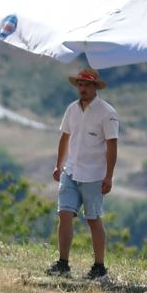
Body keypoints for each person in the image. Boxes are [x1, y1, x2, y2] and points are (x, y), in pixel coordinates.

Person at [50, 67, 118, 279]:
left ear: (95, 87)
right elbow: (65, 137)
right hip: (71, 170)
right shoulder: (72, 109)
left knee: (93, 220)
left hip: (93, 175)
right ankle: (63, 264)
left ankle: (99, 267)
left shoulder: (107, 113)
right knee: (64, 214)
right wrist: (58, 165)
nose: (83, 88)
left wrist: (109, 176)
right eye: (80, 84)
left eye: (87, 85)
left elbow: (112, 146)